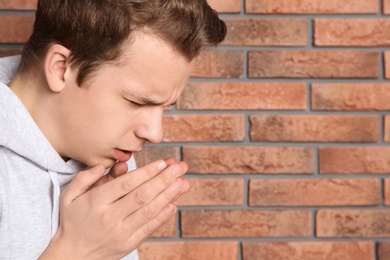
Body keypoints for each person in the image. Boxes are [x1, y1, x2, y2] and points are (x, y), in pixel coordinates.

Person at [0, 0, 226, 259]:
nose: (155, 133)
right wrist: (77, 251)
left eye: (166, 106)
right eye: (137, 101)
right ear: (61, 69)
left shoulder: (108, 156)